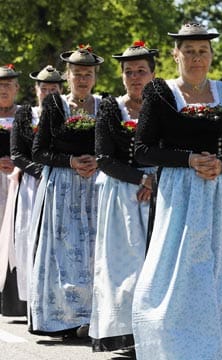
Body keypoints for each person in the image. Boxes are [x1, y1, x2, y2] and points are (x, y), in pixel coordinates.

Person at [131, 22, 222, 360]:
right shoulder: (161, 93)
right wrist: (189, 159)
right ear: (175, 54)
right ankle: (172, 348)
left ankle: (216, 348)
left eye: (202, 51)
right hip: (178, 195)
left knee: (218, 271)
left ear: (211, 55)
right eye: (189, 51)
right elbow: (142, 150)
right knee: (174, 275)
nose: (196, 58)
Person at [30, 45, 103, 337]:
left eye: (87, 74)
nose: (82, 79)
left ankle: (92, 316)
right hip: (62, 185)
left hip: (95, 185)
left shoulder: (103, 105)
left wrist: (97, 161)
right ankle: (62, 317)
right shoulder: (55, 106)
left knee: (93, 252)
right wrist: (70, 161)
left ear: (95, 76)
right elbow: (39, 151)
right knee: (63, 252)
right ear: (68, 76)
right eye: (76, 74)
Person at [89, 40, 156, 353]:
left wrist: (154, 180)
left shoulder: (163, 107)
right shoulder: (110, 108)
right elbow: (104, 158)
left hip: (158, 193)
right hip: (122, 197)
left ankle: (152, 332)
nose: (135, 77)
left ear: (153, 74)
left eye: (141, 71)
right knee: (124, 267)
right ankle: (126, 334)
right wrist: (140, 178)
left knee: (154, 266)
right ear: (122, 77)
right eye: (129, 72)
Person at [12, 65, 64, 307]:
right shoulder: (25, 115)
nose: (48, 94)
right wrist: (40, 171)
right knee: (28, 238)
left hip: (61, 181)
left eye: (53, 89)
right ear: (36, 90)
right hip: (33, 184)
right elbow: (17, 155)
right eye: (44, 89)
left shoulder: (66, 115)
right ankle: (30, 296)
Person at [0, 64, 23, 317]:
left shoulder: (26, 115)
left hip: (17, 180)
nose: (3, 90)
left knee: (13, 237)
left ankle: (11, 296)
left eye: (8, 85)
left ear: (17, 88)